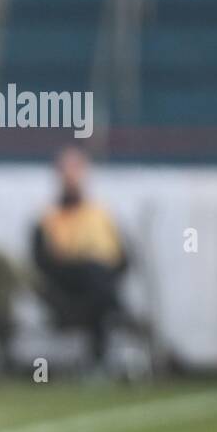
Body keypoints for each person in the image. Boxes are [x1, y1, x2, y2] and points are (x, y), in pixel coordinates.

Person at [32, 146, 127, 365]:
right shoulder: (48, 217)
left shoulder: (101, 213)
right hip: (67, 284)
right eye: (66, 170)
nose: (71, 177)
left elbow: (123, 257)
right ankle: (115, 313)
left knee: (98, 279)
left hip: (102, 279)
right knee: (94, 276)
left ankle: (99, 357)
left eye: (76, 170)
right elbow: (43, 261)